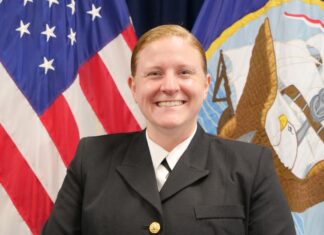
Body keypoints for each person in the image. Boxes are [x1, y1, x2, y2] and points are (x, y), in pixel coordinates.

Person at [41, 25, 296, 235]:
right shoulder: (92, 159)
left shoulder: (251, 167)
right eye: (154, 74)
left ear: (206, 85)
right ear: (133, 87)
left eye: (184, 72)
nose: (170, 86)